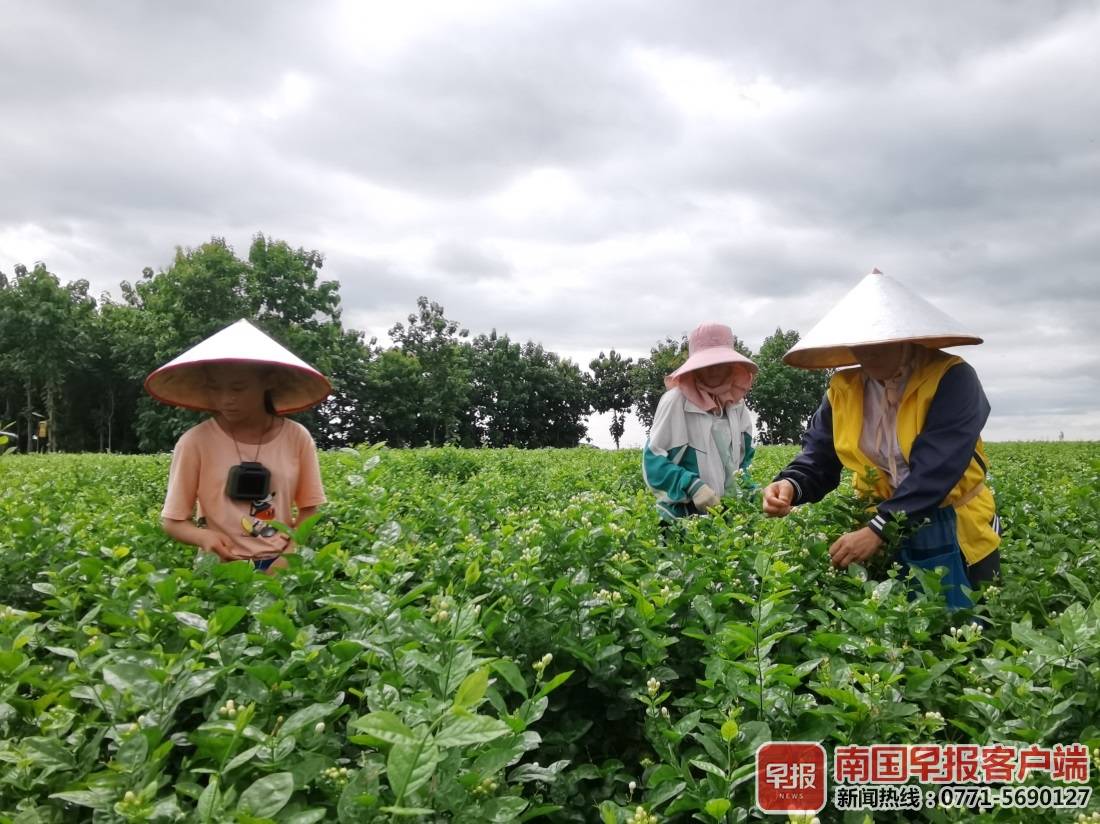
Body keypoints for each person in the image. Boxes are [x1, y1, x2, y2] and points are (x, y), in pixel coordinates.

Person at [761, 269, 1001, 609]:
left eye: (879, 343)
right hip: (876, 526)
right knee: (896, 633)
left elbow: (938, 466)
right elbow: (819, 456)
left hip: (956, 525)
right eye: (860, 345)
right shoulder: (843, 391)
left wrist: (879, 528)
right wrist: (790, 485)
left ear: (905, 338)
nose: (868, 355)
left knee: (969, 629)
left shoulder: (952, 378)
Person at [146, 319, 330, 574]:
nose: (226, 400)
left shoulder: (297, 437)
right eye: (216, 388)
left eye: (238, 388)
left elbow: (310, 509)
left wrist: (288, 555)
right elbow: (173, 521)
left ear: (269, 381)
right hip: (220, 569)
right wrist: (205, 538)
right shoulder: (195, 442)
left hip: (282, 565)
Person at [643, 322, 758, 524]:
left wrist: (753, 494)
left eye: (719, 363)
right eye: (707, 364)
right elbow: (653, 463)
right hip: (680, 520)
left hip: (725, 517)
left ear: (731, 364)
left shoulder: (737, 406)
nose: (713, 370)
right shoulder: (676, 402)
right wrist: (693, 485)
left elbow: (742, 464)